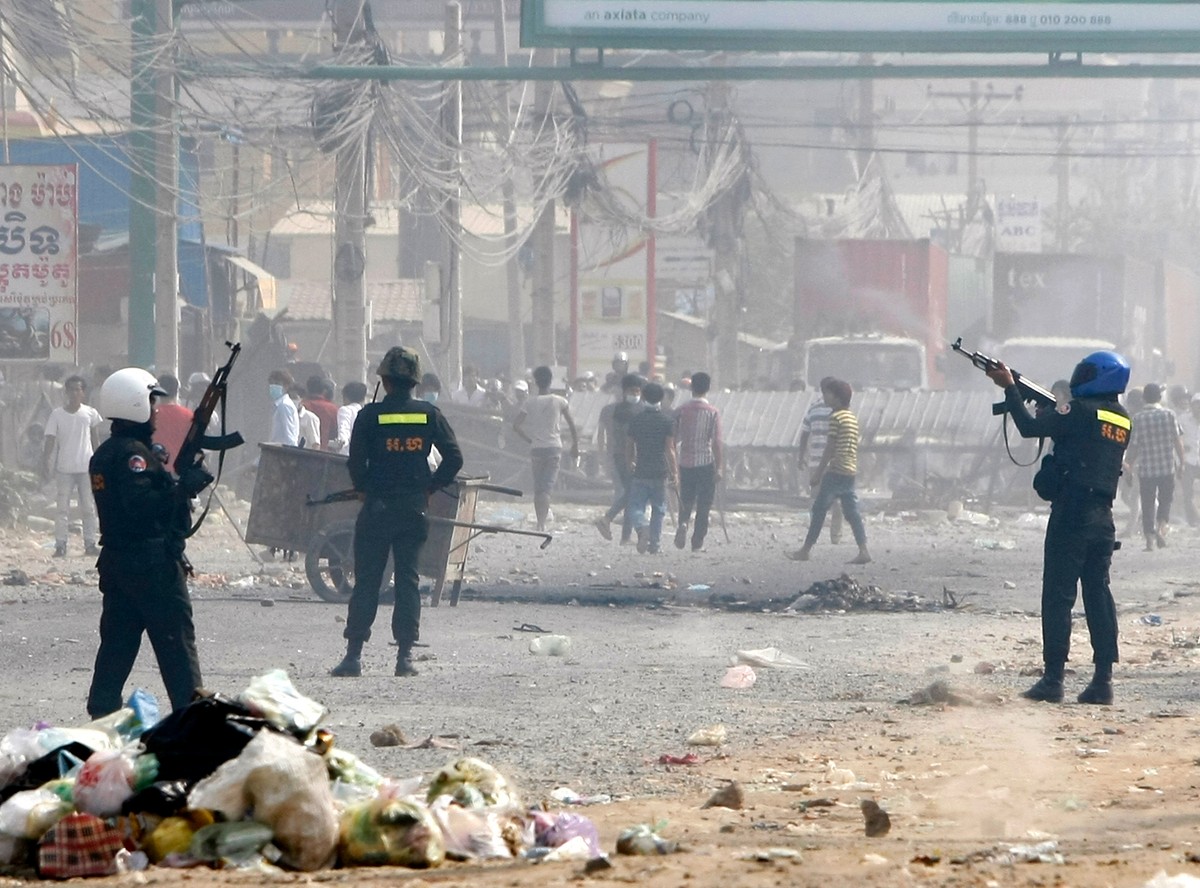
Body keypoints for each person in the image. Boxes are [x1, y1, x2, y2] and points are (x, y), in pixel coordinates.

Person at [984, 351, 1131, 705]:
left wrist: (1010, 389)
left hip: (1072, 515)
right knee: (1098, 595)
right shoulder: (1122, 418)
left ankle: (1053, 680)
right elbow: (1085, 444)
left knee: (1058, 596)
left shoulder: (1078, 411)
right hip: (1103, 518)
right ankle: (1103, 681)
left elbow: (1029, 428)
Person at [86, 367, 214, 717]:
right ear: (135, 404)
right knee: (177, 647)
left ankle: (102, 716)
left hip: (119, 563)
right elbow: (141, 507)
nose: (156, 410)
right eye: (151, 401)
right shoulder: (133, 456)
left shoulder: (108, 452)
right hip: (152, 565)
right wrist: (183, 488)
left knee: (117, 645)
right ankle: (192, 720)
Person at [329, 347, 463, 679]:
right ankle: (404, 658)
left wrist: (363, 487)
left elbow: (355, 462)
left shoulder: (369, 416)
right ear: (415, 383)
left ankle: (353, 657)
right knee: (407, 580)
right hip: (413, 508)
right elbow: (455, 458)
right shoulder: (429, 414)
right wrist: (431, 486)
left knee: (367, 581)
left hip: (377, 508)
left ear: (385, 381)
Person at [787, 378, 871, 565]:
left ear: (837, 398)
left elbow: (829, 448)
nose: (824, 397)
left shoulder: (835, 418)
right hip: (849, 471)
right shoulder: (851, 417)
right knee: (852, 512)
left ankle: (805, 550)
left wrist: (818, 473)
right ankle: (863, 550)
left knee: (819, 509)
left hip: (835, 471)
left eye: (828, 394)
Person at [513, 365, 579, 532]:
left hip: (537, 449)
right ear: (551, 381)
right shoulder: (560, 401)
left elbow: (516, 426)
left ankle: (540, 522)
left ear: (536, 382)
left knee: (538, 488)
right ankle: (542, 522)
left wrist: (529, 440)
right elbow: (572, 425)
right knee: (546, 489)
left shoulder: (529, 402)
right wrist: (575, 445)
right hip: (553, 448)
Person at [42, 375, 102, 558]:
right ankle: (61, 545)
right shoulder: (57, 415)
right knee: (62, 509)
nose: (75, 393)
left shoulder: (90, 413)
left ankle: (90, 544)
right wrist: (46, 461)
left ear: (83, 392)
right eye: (72, 389)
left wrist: (100, 462)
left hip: (86, 468)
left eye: (78, 389)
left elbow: (95, 439)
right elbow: (50, 440)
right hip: (64, 469)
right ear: (66, 392)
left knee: (88, 508)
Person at [1125, 382, 1184, 550]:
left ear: (1144, 398)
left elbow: (1134, 446)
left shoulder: (1138, 418)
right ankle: (1161, 527)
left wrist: (1128, 465)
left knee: (1147, 503)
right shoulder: (1169, 415)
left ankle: (1149, 539)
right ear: (1159, 397)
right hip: (1167, 467)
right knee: (1165, 500)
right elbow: (1177, 441)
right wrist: (1181, 463)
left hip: (1146, 469)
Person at [673, 371, 723, 552]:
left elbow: (673, 439)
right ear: (708, 388)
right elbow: (717, 442)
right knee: (704, 503)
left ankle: (683, 522)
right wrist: (719, 467)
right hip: (705, 462)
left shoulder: (681, 410)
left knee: (686, 498)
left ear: (691, 387)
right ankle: (697, 540)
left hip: (685, 462)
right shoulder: (713, 412)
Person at [625, 382, 677, 554]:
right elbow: (670, 449)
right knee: (659, 509)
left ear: (643, 397)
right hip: (660, 471)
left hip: (641, 470)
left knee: (635, 506)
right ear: (661, 398)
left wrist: (630, 461)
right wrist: (674, 472)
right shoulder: (667, 421)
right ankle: (655, 544)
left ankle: (641, 526)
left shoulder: (636, 420)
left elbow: (629, 445)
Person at [594, 373, 643, 543]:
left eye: (637, 391)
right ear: (624, 391)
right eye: (632, 391)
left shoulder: (618, 410)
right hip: (626, 457)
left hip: (622, 456)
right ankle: (608, 518)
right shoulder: (625, 411)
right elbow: (606, 436)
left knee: (630, 494)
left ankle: (625, 536)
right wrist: (603, 456)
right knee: (631, 493)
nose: (635, 394)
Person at [796, 377, 843, 546]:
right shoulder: (840, 409)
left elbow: (804, 434)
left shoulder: (813, 409)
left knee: (816, 499)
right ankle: (835, 536)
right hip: (835, 462)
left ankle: (814, 534)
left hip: (816, 463)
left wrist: (801, 456)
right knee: (837, 499)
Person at [151, 373, 193, 469]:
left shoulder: (151, 415)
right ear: (177, 391)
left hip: (156, 468)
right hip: (181, 469)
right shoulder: (188, 415)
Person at [1179, 394, 1200, 526]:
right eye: (1197, 405)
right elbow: (1176, 438)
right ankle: (1192, 520)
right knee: (1188, 492)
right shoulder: (1183, 420)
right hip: (1188, 460)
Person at [301, 376, 339, 450]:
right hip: (324, 453)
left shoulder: (301, 406)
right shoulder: (332, 409)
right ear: (324, 391)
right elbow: (335, 433)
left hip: (300, 452)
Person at [332, 381, 368, 456]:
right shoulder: (366, 413)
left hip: (347, 455)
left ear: (346, 397)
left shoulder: (345, 410)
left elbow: (343, 430)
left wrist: (340, 443)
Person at [267, 369, 298, 446]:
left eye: (277, 383)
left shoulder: (284, 405)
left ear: (286, 386)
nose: (273, 386)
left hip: (282, 451)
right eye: (271, 383)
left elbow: (289, 436)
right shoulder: (279, 405)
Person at [290, 385, 322, 450]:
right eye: (289, 397)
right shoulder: (288, 416)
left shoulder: (310, 418)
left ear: (303, 400)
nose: (291, 400)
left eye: (294, 398)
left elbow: (315, 444)